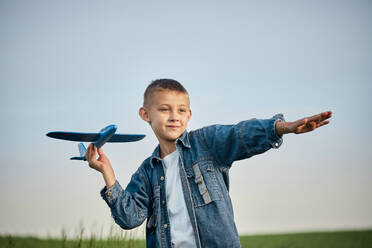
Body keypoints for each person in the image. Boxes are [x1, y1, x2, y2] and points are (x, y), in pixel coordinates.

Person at [85, 79, 332, 248]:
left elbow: (240, 134)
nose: (174, 116)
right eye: (164, 109)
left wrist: (282, 127)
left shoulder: (207, 143)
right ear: (145, 114)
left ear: (189, 115)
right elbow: (129, 218)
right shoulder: (147, 171)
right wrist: (107, 172)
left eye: (181, 110)